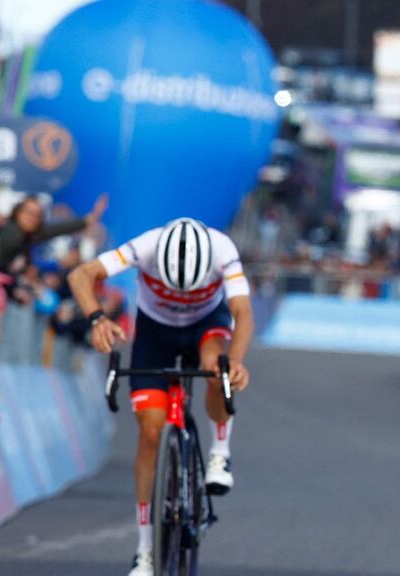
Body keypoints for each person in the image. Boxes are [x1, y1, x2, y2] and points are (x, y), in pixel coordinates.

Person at [67, 217, 253, 576]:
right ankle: (145, 552)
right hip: (155, 331)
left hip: (206, 324)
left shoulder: (223, 250)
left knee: (217, 367)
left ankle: (220, 454)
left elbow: (243, 311)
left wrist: (239, 362)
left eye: (190, 289)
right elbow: (80, 275)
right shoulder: (146, 245)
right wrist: (96, 319)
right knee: (150, 433)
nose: (182, 296)